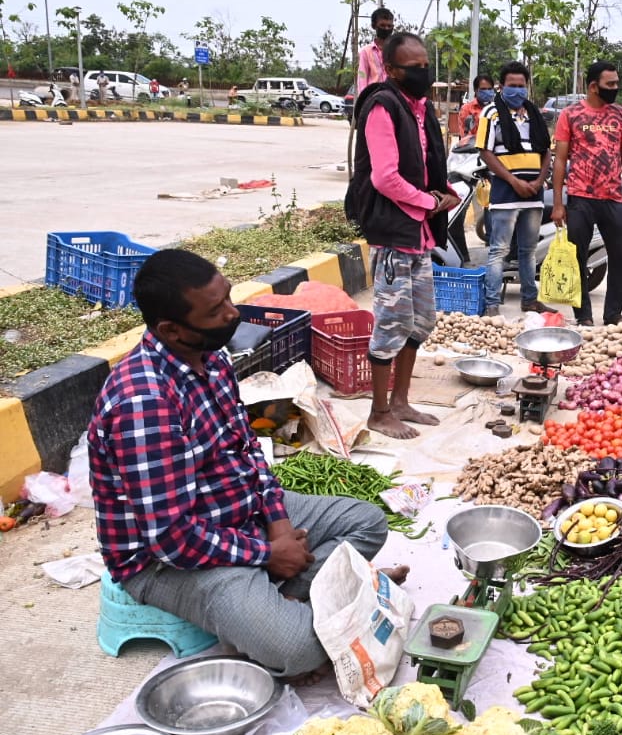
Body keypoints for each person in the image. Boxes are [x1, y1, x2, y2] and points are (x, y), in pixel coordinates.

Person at [87, 249, 397, 681]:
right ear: (171, 330)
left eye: (228, 298)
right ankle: (284, 601)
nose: (233, 314)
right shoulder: (145, 403)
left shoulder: (211, 358)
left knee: (367, 522)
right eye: (217, 311)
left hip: (237, 512)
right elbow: (171, 537)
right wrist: (266, 553)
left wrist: (278, 525)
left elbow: (248, 450)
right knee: (298, 648)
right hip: (168, 558)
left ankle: (282, 597)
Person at [347, 31, 460, 439]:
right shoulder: (382, 106)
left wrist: (443, 194)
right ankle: (379, 411)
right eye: (414, 68)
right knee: (392, 322)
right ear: (392, 70)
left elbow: (427, 164)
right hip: (394, 233)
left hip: (419, 233)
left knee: (420, 321)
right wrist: (428, 203)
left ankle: (401, 400)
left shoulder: (421, 107)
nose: (422, 72)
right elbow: (385, 177)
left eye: (425, 65)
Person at [551, 59, 622, 326]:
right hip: (580, 198)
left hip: (613, 199)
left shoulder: (621, 115)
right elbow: (560, 159)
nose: (615, 88)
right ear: (593, 86)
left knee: (620, 258)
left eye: (616, 83)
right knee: (578, 258)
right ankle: (583, 316)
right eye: (609, 84)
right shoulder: (570, 114)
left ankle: (613, 314)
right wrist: (558, 202)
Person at [476, 60, 554, 316]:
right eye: (512, 86)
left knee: (528, 252)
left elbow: (546, 151)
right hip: (506, 194)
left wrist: (539, 181)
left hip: (534, 194)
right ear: (502, 87)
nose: (517, 91)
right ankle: (491, 305)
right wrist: (513, 181)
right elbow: (486, 152)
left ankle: (529, 300)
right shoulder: (490, 113)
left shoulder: (534, 114)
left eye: (521, 86)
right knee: (499, 250)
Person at [356, 7, 395, 96]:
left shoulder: (397, 50)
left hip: (394, 97)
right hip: (373, 97)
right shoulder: (366, 51)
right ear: (374, 26)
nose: (386, 28)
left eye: (389, 26)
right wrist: (363, 101)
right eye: (382, 25)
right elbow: (362, 78)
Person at [459, 74, 495, 139]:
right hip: (473, 147)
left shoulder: (496, 109)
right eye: (483, 89)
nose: (487, 92)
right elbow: (465, 135)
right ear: (476, 90)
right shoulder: (467, 109)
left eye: (489, 89)